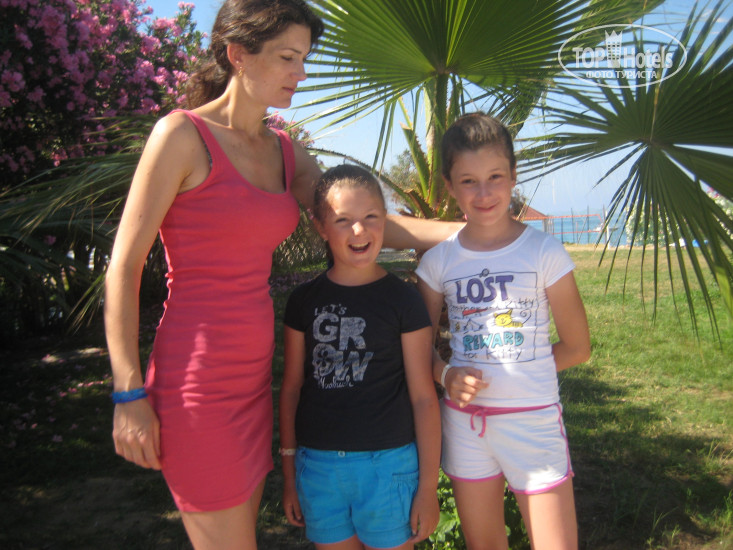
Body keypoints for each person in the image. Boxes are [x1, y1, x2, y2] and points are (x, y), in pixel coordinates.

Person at [104, 1, 458, 549]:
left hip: (254, 386)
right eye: (288, 57)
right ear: (238, 55)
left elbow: (360, 220)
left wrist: (470, 233)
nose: (302, 73)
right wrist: (128, 393)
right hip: (198, 383)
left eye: (304, 58)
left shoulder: (286, 153)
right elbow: (123, 267)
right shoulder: (181, 135)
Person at [415, 112, 591, 550]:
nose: (484, 192)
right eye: (468, 181)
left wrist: (524, 372)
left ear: (513, 175)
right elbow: (417, 352)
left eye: (495, 176)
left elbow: (578, 347)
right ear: (450, 186)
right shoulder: (437, 263)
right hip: (465, 428)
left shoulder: (545, 252)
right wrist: (445, 375)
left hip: (533, 425)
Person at [279, 165, 441, 550]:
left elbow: (423, 397)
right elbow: (292, 389)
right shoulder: (303, 301)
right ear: (321, 227)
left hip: (389, 467)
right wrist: (289, 475)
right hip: (318, 470)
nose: (359, 230)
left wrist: (428, 488)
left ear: (385, 219)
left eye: (371, 217)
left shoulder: (404, 300)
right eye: (343, 220)